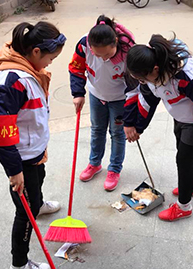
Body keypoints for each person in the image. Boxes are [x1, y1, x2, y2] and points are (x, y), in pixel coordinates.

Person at [0, 21, 66, 269]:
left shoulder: (28, 70)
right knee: (24, 212)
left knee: (37, 183)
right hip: (21, 158)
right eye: (51, 58)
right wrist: (14, 171)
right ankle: (19, 265)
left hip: (32, 152)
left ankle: (38, 202)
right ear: (35, 52)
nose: (51, 63)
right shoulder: (13, 82)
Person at [123, 34, 193, 222]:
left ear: (155, 69)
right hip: (181, 114)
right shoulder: (150, 75)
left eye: (144, 78)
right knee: (188, 153)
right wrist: (138, 127)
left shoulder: (190, 75)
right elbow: (148, 99)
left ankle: (184, 207)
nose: (142, 82)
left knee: (183, 159)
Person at [68, 15, 137, 191]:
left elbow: (134, 86)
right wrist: (78, 93)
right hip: (96, 94)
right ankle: (94, 163)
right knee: (97, 129)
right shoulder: (84, 44)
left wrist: (131, 118)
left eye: (107, 54)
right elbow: (76, 67)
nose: (104, 58)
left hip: (119, 98)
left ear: (115, 42)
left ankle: (114, 169)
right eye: (98, 54)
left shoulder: (128, 52)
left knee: (117, 133)